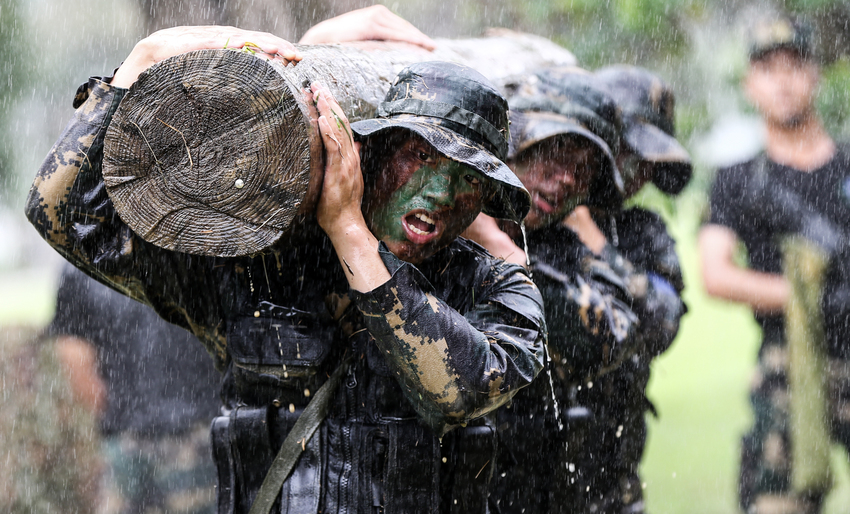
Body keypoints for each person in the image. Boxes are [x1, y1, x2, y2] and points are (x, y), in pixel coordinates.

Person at [25, 26, 546, 514]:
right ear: (371, 154)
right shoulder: (258, 269)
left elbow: (455, 392)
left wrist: (349, 231)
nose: (442, 192)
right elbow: (66, 217)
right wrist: (144, 60)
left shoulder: (496, 287)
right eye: (420, 156)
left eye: (468, 178)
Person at [461, 67, 647, 514]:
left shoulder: (561, 247)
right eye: (555, 154)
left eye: (582, 172)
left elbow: (615, 335)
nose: (565, 179)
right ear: (513, 142)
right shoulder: (429, 228)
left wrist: (505, 254)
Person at [699, 13, 850, 514]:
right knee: (776, 503)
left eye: (794, 65)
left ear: (815, 74)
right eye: (768, 68)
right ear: (750, 83)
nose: (783, 81)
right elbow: (715, 273)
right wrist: (799, 295)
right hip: (786, 361)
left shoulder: (847, 165)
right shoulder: (738, 179)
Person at [554, 65, 689, 514]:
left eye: (646, 160)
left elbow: (662, 323)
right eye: (628, 152)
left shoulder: (644, 232)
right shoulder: (537, 215)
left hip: (615, 479)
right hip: (531, 475)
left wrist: (596, 244)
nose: (637, 171)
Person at [50, 262, 221, 514]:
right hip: (199, 431)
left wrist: (116, 410)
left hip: (128, 437)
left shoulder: (86, 248)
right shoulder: (201, 239)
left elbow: (75, 355)